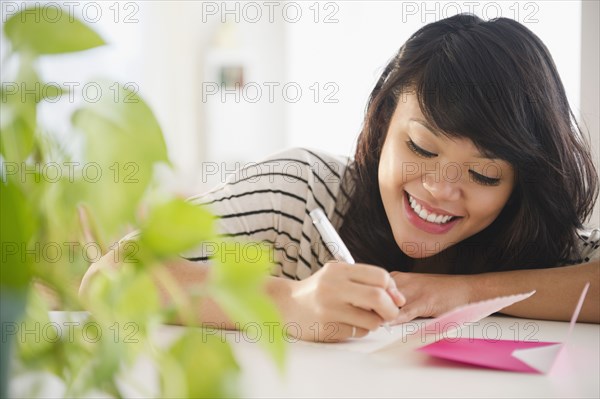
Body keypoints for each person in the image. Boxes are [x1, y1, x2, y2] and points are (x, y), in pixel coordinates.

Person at [80, 14, 599, 342]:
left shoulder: (533, 238)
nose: (440, 189)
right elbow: (107, 279)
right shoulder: (302, 195)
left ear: (520, 183)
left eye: (484, 173)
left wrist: (458, 293)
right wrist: (290, 303)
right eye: (420, 147)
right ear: (383, 122)